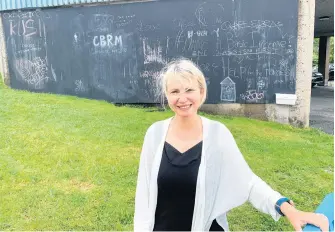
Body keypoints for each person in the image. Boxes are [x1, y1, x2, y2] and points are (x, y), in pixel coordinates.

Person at [133, 58, 329, 231]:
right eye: (174, 91)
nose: (182, 98)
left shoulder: (218, 134)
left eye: (189, 90)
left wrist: (286, 208)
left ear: (201, 92)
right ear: (167, 96)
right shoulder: (155, 134)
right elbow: (144, 196)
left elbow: (247, 182)